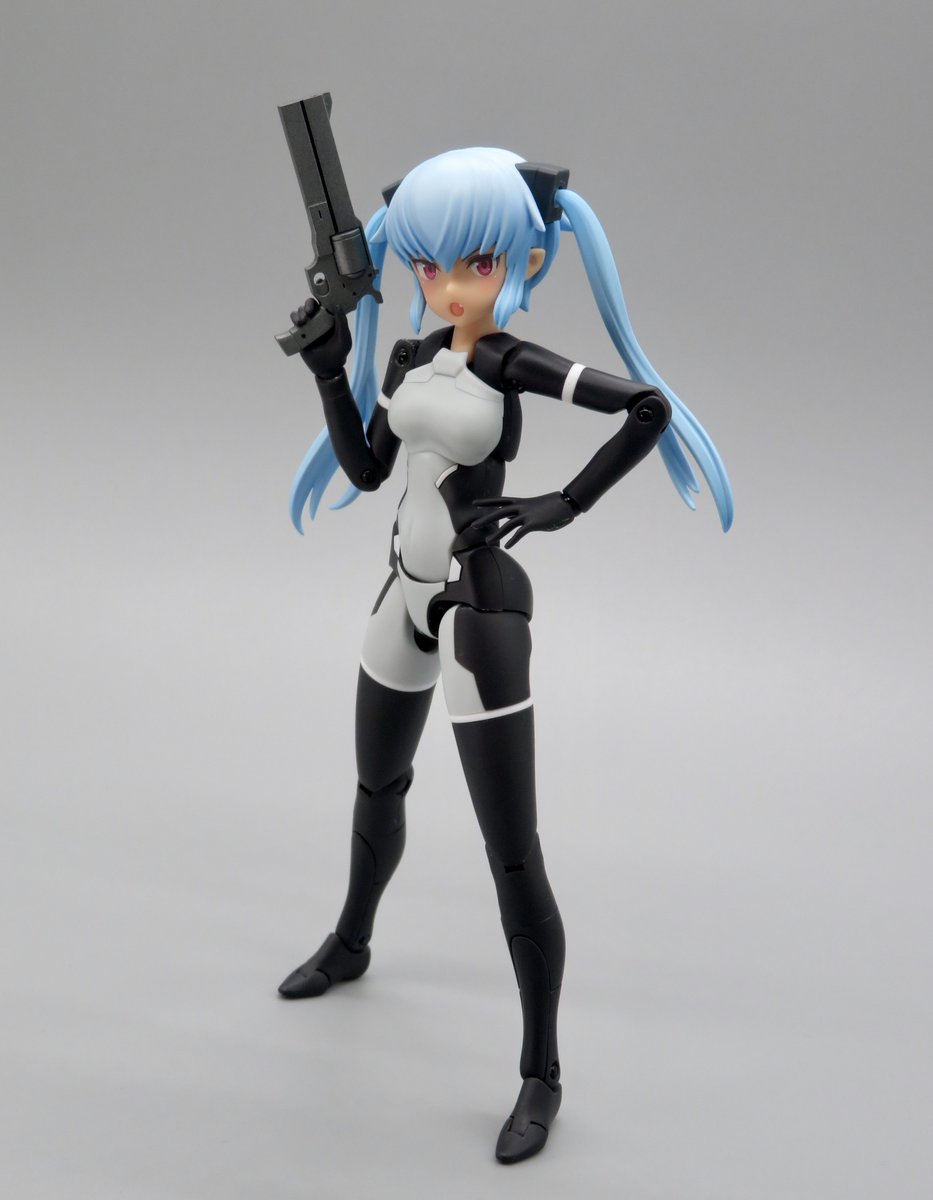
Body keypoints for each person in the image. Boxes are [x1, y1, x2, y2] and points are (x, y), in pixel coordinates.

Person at [278, 146, 733, 1163]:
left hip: (477, 605)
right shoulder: (407, 358)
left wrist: (561, 503)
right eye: (429, 265)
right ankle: (352, 940)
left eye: (475, 263)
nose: (449, 285)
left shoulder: (508, 362)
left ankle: (541, 1073)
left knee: (511, 850)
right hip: (401, 591)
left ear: (522, 260)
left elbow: (646, 409)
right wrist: (327, 374)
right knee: (376, 785)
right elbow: (366, 467)